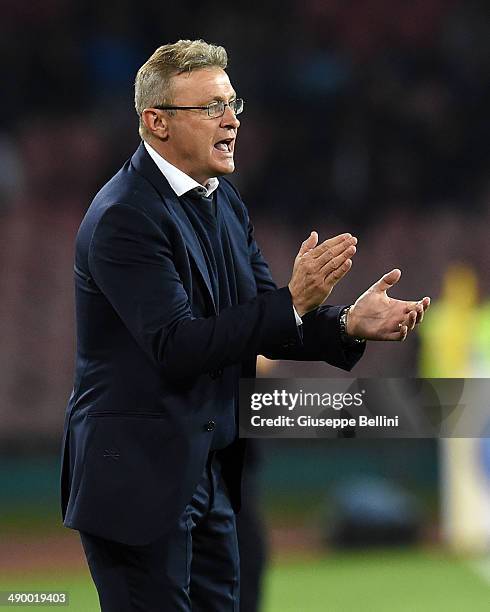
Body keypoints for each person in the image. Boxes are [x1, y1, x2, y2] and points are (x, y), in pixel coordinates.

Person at [60, 39, 430, 611]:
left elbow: (265, 317)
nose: (231, 120)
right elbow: (178, 346)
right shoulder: (124, 218)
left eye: (233, 103)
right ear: (156, 122)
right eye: (210, 107)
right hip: (138, 483)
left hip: (210, 476)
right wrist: (292, 300)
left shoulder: (223, 201)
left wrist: (347, 325)